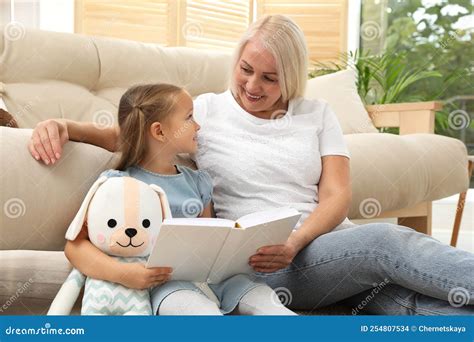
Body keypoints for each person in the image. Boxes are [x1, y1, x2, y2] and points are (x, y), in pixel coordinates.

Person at [29, 15, 473, 315]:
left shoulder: (317, 115)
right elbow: (141, 131)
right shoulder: (206, 111)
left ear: (292, 77)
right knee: (389, 244)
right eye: (246, 70)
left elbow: (338, 196)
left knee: (401, 300)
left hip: (323, 248)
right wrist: (66, 125)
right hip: (262, 265)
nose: (252, 86)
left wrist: (298, 240)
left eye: (270, 77)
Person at [55, 82, 296, 315]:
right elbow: (75, 246)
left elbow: (213, 236)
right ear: (159, 131)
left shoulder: (198, 181)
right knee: (199, 311)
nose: (198, 126)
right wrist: (124, 274)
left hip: (217, 278)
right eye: (190, 117)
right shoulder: (118, 185)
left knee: (264, 300)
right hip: (167, 285)